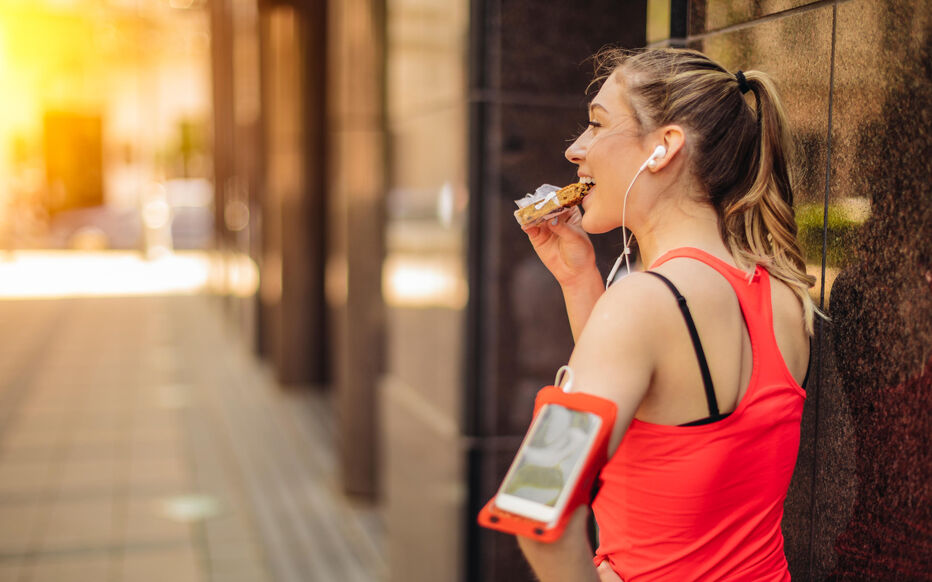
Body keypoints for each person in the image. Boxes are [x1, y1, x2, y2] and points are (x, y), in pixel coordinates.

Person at [513, 47, 816, 581]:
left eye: (596, 124)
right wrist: (580, 281)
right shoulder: (784, 296)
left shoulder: (642, 304)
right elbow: (663, 425)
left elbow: (537, 505)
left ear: (663, 148)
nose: (574, 150)